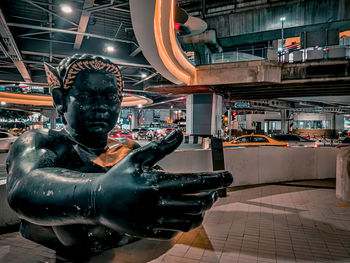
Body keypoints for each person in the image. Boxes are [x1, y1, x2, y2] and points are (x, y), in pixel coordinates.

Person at [6, 54, 232, 260]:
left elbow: (155, 200)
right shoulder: (42, 141)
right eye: (86, 96)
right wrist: (96, 196)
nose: (101, 107)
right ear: (60, 100)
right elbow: (24, 186)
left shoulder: (128, 149)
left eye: (110, 97)